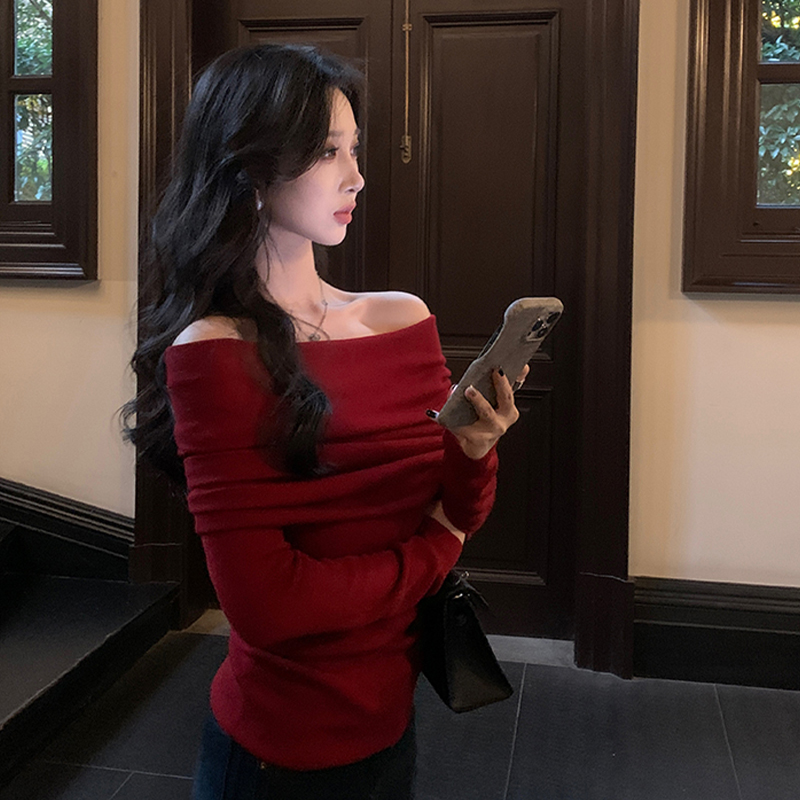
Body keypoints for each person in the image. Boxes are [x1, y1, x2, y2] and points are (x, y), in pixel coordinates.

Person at [123, 43, 527, 800]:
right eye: (326, 152)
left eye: (355, 150)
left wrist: (476, 450)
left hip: (392, 720)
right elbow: (269, 606)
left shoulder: (401, 319)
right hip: (275, 757)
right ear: (248, 169)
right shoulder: (213, 351)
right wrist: (436, 546)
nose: (356, 177)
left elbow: (462, 507)